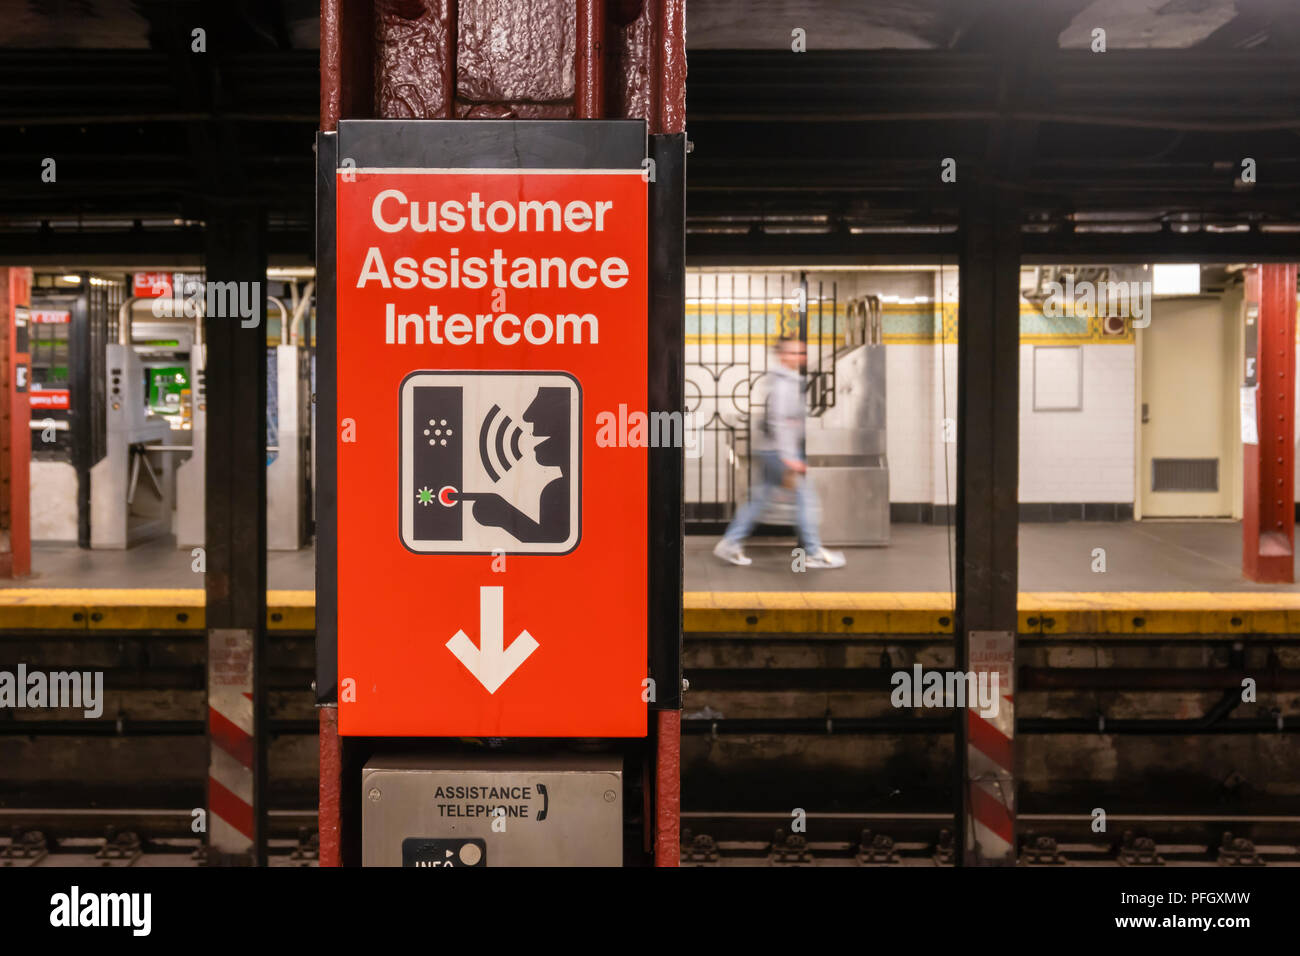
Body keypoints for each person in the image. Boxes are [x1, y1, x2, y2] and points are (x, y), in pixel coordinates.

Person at [713, 336, 846, 569]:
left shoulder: (781, 380)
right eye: (794, 353)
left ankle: (730, 542)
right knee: (806, 498)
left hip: (770, 451)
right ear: (782, 355)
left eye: (801, 353)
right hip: (779, 453)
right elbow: (780, 422)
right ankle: (813, 553)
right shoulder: (785, 383)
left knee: (759, 498)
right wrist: (789, 458)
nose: (800, 357)